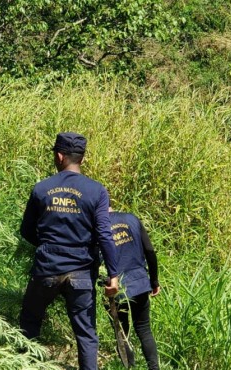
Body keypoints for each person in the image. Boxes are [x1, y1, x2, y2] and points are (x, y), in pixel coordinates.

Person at [19, 132, 119, 370]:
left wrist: (47, 246)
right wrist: (113, 274)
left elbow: (26, 230)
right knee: (86, 334)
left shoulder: (42, 188)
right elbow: (105, 234)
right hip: (81, 274)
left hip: (47, 269)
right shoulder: (97, 191)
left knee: (30, 323)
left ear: (60, 156)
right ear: (81, 159)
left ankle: (23, 363)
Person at [109, 208, 160, 370]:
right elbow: (150, 251)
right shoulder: (131, 218)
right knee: (144, 330)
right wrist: (154, 280)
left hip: (115, 288)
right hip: (139, 282)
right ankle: (154, 368)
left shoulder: (98, 226)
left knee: (121, 333)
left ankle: (129, 367)